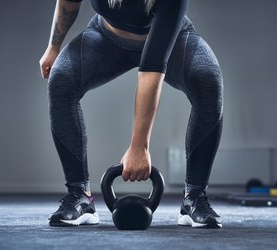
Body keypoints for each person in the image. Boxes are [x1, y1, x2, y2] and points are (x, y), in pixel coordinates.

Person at [39, 0, 223, 228]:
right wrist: (53, 47)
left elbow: (151, 70)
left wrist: (139, 148)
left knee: (208, 80)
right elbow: (68, 2)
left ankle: (194, 198)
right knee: (61, 79)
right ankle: (79, 196)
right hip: (106, 38)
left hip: (172, 41)